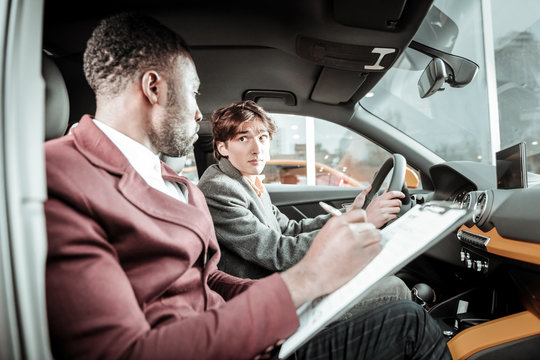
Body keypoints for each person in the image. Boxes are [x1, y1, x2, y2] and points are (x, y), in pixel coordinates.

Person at [44, 12, 451, 359]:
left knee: (398, 312)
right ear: (154, 88)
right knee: (408, 325)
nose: (200, 111)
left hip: (244, 331)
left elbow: (207, 279)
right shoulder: (61, 176)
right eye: (194, 92)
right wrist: (307, 280)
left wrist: (300, 295)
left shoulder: (170, 179)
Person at [198, 101, 410, 314]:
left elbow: (290, 229)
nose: (257, 148)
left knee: (380, 276)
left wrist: (352, 215)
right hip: (269, 298)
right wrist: (362, 223)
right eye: (243, 138)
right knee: (395, 289)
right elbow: (279, 253)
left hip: (287, 281)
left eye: (262, 138)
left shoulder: (246, 179)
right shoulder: (220, 188)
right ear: (222, 147)